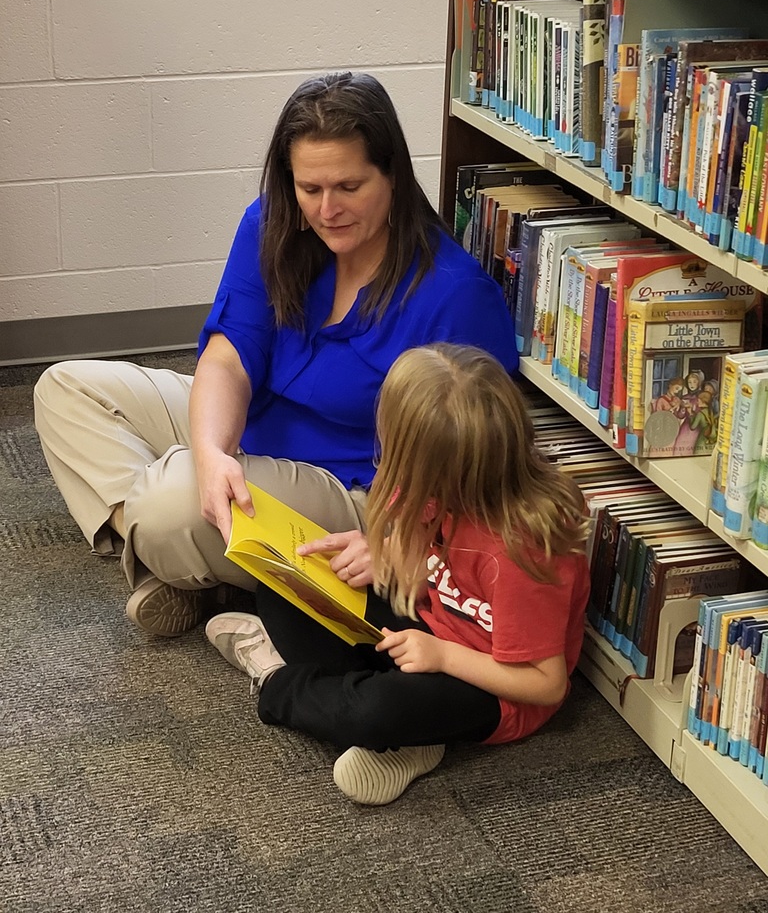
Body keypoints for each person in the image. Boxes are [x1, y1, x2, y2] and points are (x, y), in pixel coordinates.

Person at [33, 71, 518, 637]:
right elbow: (228, 357)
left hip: (353, 487)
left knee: (167, 501)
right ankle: (192, 565)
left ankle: (187, 554)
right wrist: (213, 455)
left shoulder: (454, 293)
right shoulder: (271, 223)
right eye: (308, 189)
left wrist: (392, 542)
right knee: (66, 390)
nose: (326, 209)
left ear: (393, 176)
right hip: (253, 430)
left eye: (349, 187)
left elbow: (482, 462)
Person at [205, 343, 591, 805]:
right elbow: (424, 572)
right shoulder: (428, 491)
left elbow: (547, 685)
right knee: (285, 586)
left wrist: (444, 657)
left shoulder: (522, 549)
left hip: (492, 687)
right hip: (426, 627)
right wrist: (379, 556)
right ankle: (411, 738)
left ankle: (277, 682)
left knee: (377, 710)